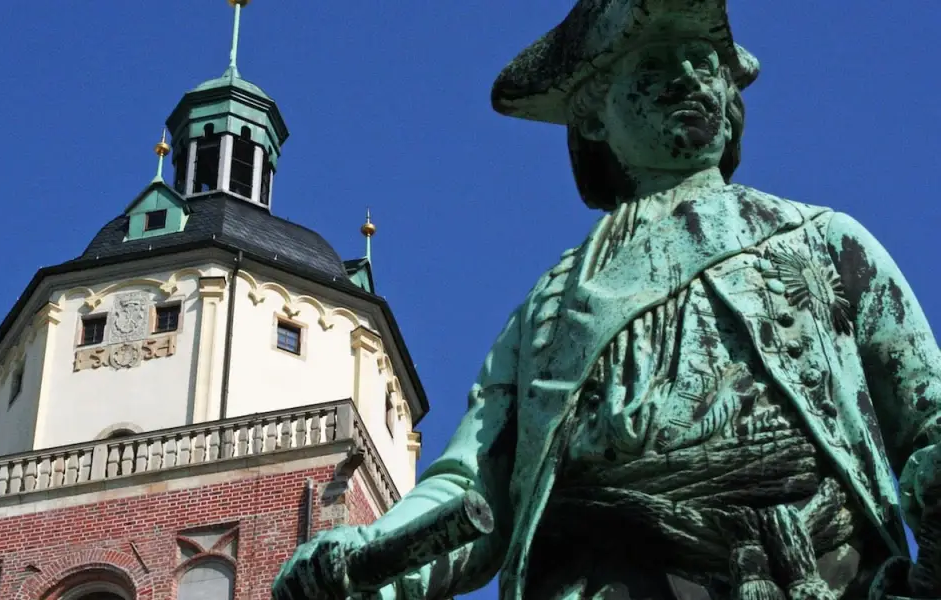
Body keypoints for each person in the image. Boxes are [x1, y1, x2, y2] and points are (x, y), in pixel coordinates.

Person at [272, 1, 941, 599]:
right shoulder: (547, 310)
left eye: (705, 63)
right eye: (654, 64)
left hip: (809, 570)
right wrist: (371, 559)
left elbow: (928, 422)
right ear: (592, 111)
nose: (689, 78)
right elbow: (473, 489)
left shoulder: (824, 242)